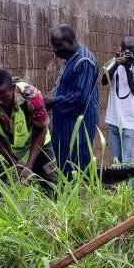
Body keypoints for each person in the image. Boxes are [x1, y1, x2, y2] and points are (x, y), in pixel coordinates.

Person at [0, 68, 57, 195]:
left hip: (38, 141)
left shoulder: (32, 96)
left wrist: (29, 165)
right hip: (4, 144)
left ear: (13, 88)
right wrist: (14, 162)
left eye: (4, 96)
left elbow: (41, 130)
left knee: (51, 184)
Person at [46, 24, 100, 177]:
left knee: (76, 162)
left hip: (78, 124)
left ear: (71, 42)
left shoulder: (84, 61)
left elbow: (80, 97)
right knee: (63, 159)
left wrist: (52, 101)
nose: (55, 50)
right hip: (66, 123)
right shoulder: (72, 58)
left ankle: (76, 190)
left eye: (58, 46)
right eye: (53, 46)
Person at [102, 36, 134, 166]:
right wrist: (117, 63)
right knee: (115, 161)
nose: (128, 53)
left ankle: (131, 181)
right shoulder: (115, 62)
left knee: (127, 160)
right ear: (121, 49)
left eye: (132, 50)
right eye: (125, 50)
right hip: (113, 120)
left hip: (130, 122)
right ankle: (119, 181)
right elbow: (104, 81)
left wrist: (129, 70)